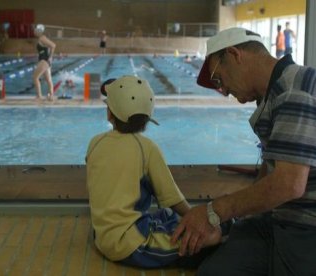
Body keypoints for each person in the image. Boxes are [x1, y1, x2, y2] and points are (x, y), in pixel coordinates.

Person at [171, 27, 316, 275]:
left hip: (306, 228)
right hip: (277, 220)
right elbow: (271, 171)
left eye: (219, 79)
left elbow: (288, 184)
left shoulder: (293, 90)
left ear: (235, 54)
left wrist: (213, 212)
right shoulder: (272, 94)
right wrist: (230, 221)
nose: (224, 91)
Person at [86, 75, 222, 268]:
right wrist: (199, 221)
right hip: (131, 243)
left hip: (101, 235)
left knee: (165, 215)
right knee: (208, 238)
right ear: (147, 118)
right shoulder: (146, 148)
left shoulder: (95, 142)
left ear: (109, 114)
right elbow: (173, 199)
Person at [32, 24, 56, 100]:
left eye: (35, 30)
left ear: (38, 31)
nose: (34, 31)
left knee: (35, 77)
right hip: (45, 60)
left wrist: (51, 57)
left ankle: (39, 96)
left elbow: (53, 45)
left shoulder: (42, 38)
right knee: (48, 79)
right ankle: (51, 95)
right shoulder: (41, 38)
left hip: (44, 60)